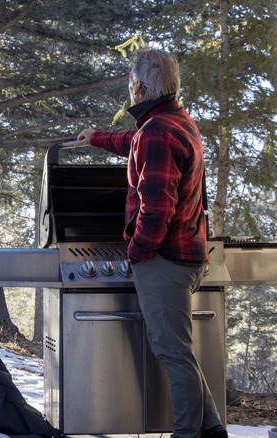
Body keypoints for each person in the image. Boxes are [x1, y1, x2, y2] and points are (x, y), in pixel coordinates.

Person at [75, 48, 227, 438]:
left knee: (173, 353)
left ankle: (185, 434)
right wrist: (97, 138)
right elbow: (135, 141)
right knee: (181, 352)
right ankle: (211, 430)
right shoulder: (176, 122)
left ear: (139, 88)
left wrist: (138, 253)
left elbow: (157, 208)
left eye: (130, 85)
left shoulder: (157, 132)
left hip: (164, 260)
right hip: (187, 255)